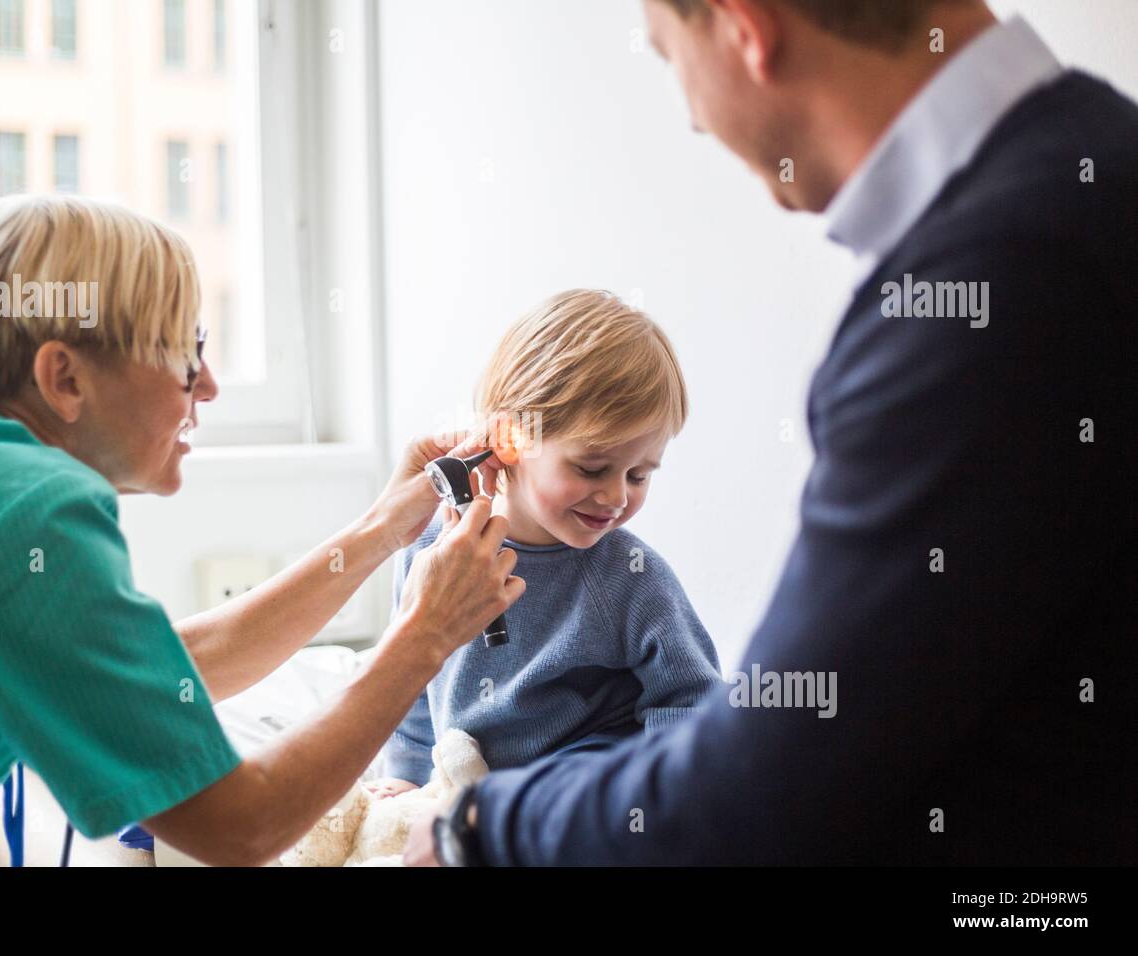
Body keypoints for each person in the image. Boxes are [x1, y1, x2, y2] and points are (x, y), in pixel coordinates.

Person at [406, 0, 1137, 865]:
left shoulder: (994, 282)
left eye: (669, 56)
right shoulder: (1097, 170)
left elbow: (773, 772)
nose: (688, 113)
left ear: (744, 27)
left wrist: (482, 824)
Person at [0, 194, 524, 866]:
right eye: (187, 353)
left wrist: (382, 529)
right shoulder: (26, 516)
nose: (211, 387)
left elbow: (161, 671)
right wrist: (424, 636)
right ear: (64, 378)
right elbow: (240, 829)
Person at [369, 290, 720, 795]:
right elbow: (409, 677)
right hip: (460, 782)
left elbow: (692, 703)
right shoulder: (431, 550)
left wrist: (658, 800)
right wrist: (405, 774)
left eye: (640, 475)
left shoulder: (632, 576)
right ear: (510, 442)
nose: (617, 497)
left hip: (577, 798)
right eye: (592, 468)